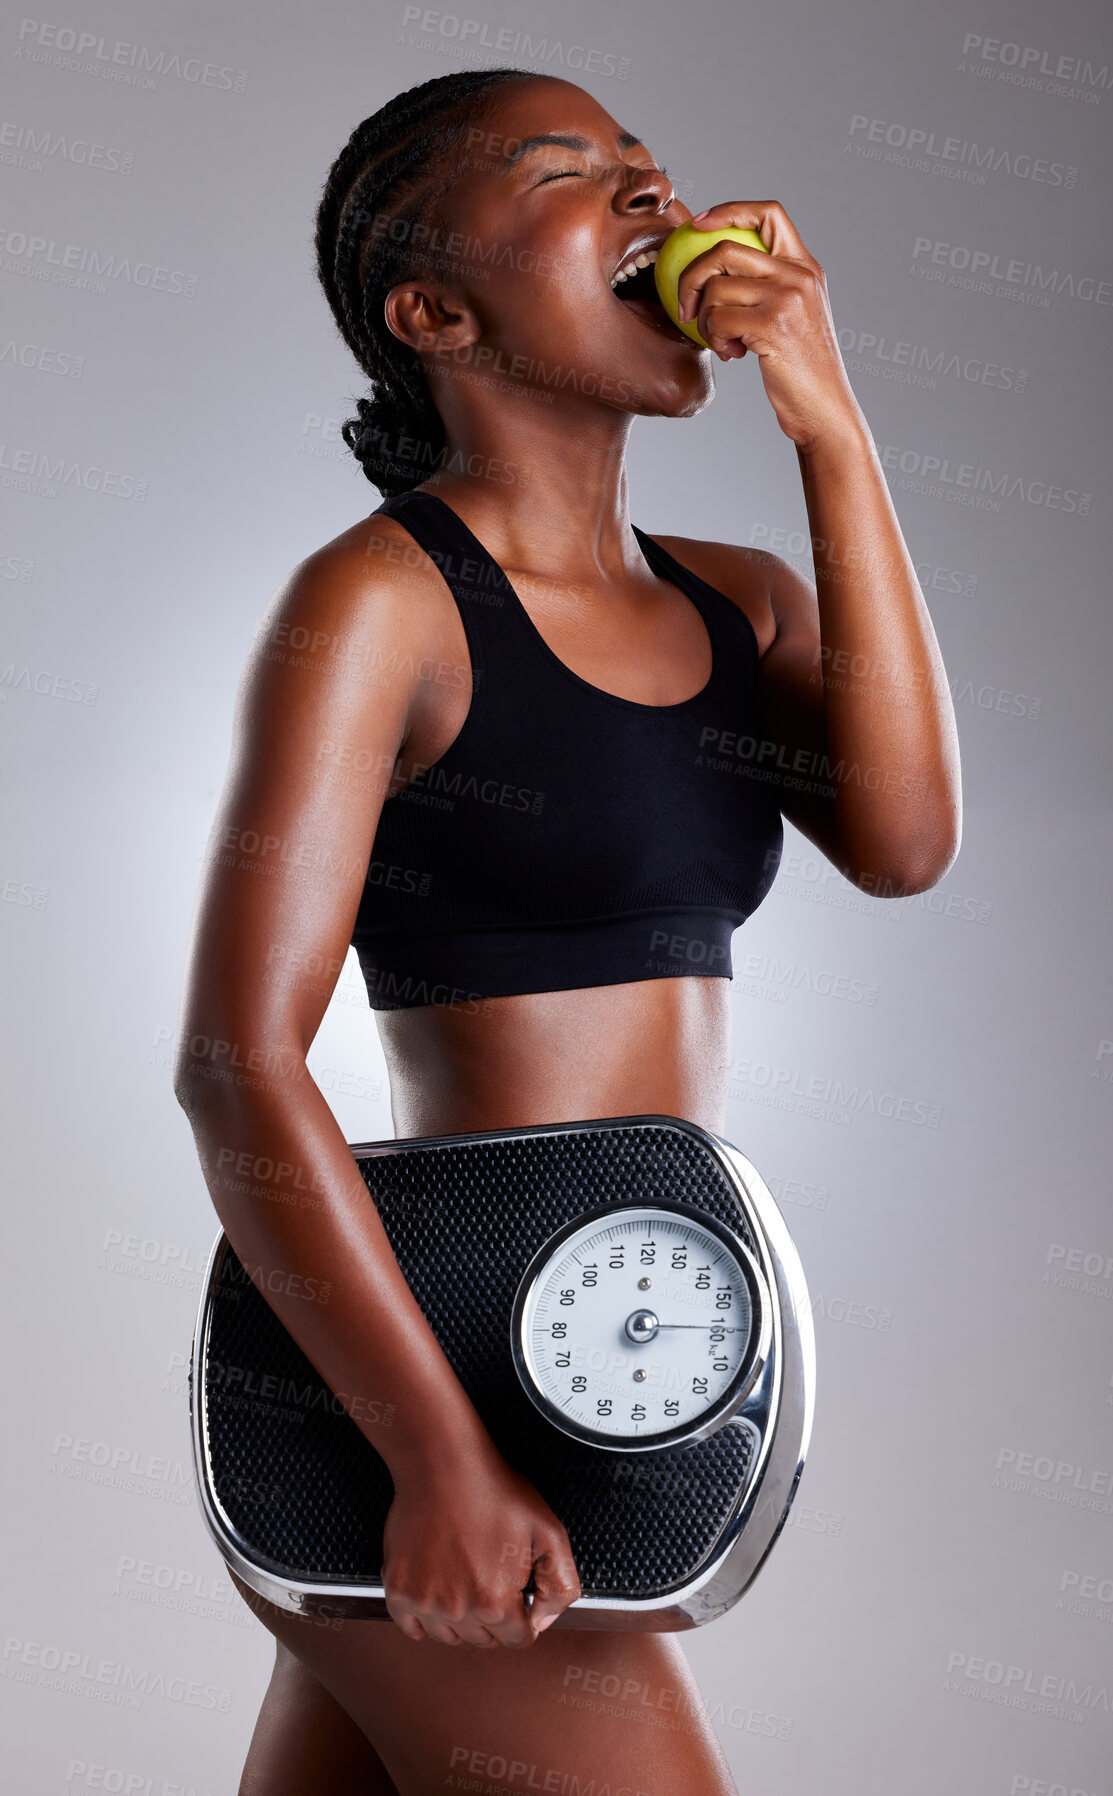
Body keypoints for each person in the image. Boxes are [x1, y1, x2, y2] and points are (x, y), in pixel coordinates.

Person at [174, 64, 961, 1796]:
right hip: (422, 1356)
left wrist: (830, 419)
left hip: (622, 1338)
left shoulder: (736, 600)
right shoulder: (380, 605)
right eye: (569, 173)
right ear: (435, 310)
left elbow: (903, 843)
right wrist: (437, 1462)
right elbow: (237, 1067)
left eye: (647, 168)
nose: (648, 194)